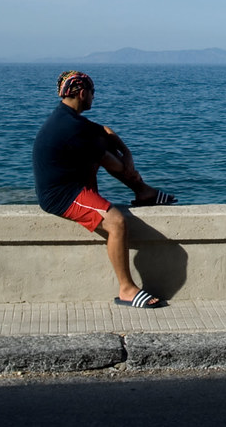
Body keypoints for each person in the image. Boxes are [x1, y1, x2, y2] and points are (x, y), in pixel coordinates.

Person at [33, 70, 177, 308]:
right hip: (62, 196)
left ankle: (144, 193)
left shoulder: (68, 117)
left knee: (101, 149)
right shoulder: (70, 128)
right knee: (117, 222)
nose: (94, 97)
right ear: (82, 93)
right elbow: (112, 162)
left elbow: (105, 132)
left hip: (73, 182)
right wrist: (129, 167)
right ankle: (127, 289)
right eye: (93, 92)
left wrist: (128, 153)